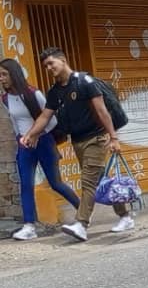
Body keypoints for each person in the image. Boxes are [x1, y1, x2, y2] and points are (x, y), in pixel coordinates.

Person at [20, 47, 134, 241]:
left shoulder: (84, 82)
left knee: (88, 182)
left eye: (51, 63)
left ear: (63, 60)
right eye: (45, 65)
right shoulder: (55, 91)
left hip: (96, 139)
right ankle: (125, 216)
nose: (49, 68)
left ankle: (81, 224)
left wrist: (113, 137)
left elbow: (102, 111)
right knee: (97, 180)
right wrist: (30, 134)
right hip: (78, 141)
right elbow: (45, 116)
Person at [0, 59, 81, 240]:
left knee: (55, 183)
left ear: (14, 74)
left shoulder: (32, 93)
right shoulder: (5, 98)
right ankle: (29, 226)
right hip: (24, 145)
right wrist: (20, 138)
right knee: (25, 185)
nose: (1, 79)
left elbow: (50, 119)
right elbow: (15, 122)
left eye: (4, 74)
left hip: (43, 141)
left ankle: (83, 210)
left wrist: (35, 134)